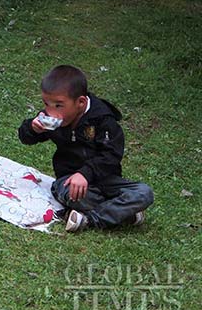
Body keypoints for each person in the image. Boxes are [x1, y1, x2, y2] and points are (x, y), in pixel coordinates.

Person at [18, 65, 154, 233]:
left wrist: (85, 174)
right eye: (46, 104)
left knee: (143, 193)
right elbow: (26, 138)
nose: (51, 111)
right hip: (69, 182)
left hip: (105, 180)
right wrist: (33, 129)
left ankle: (90, 219)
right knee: (65, 192)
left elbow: (111, 155)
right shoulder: (52, 117)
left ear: (81, 102)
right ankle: (123, 214)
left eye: (58, 105)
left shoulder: (103, 120)